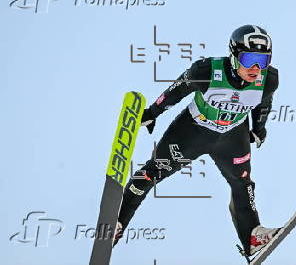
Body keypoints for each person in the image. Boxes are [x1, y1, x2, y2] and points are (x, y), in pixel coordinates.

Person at [115, 25, 280, 256]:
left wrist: (259, 129)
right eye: (249, 59)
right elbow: (176, 90)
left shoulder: (269, 79)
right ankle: (117, 221)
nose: (256, 68)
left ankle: (252, 235)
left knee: (243, 183)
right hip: (192, 133)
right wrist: (152, 113)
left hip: (232, 137)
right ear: (233, 55)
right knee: (153, 172)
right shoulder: (205, 71)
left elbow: (263, 103)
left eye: (263, 61)